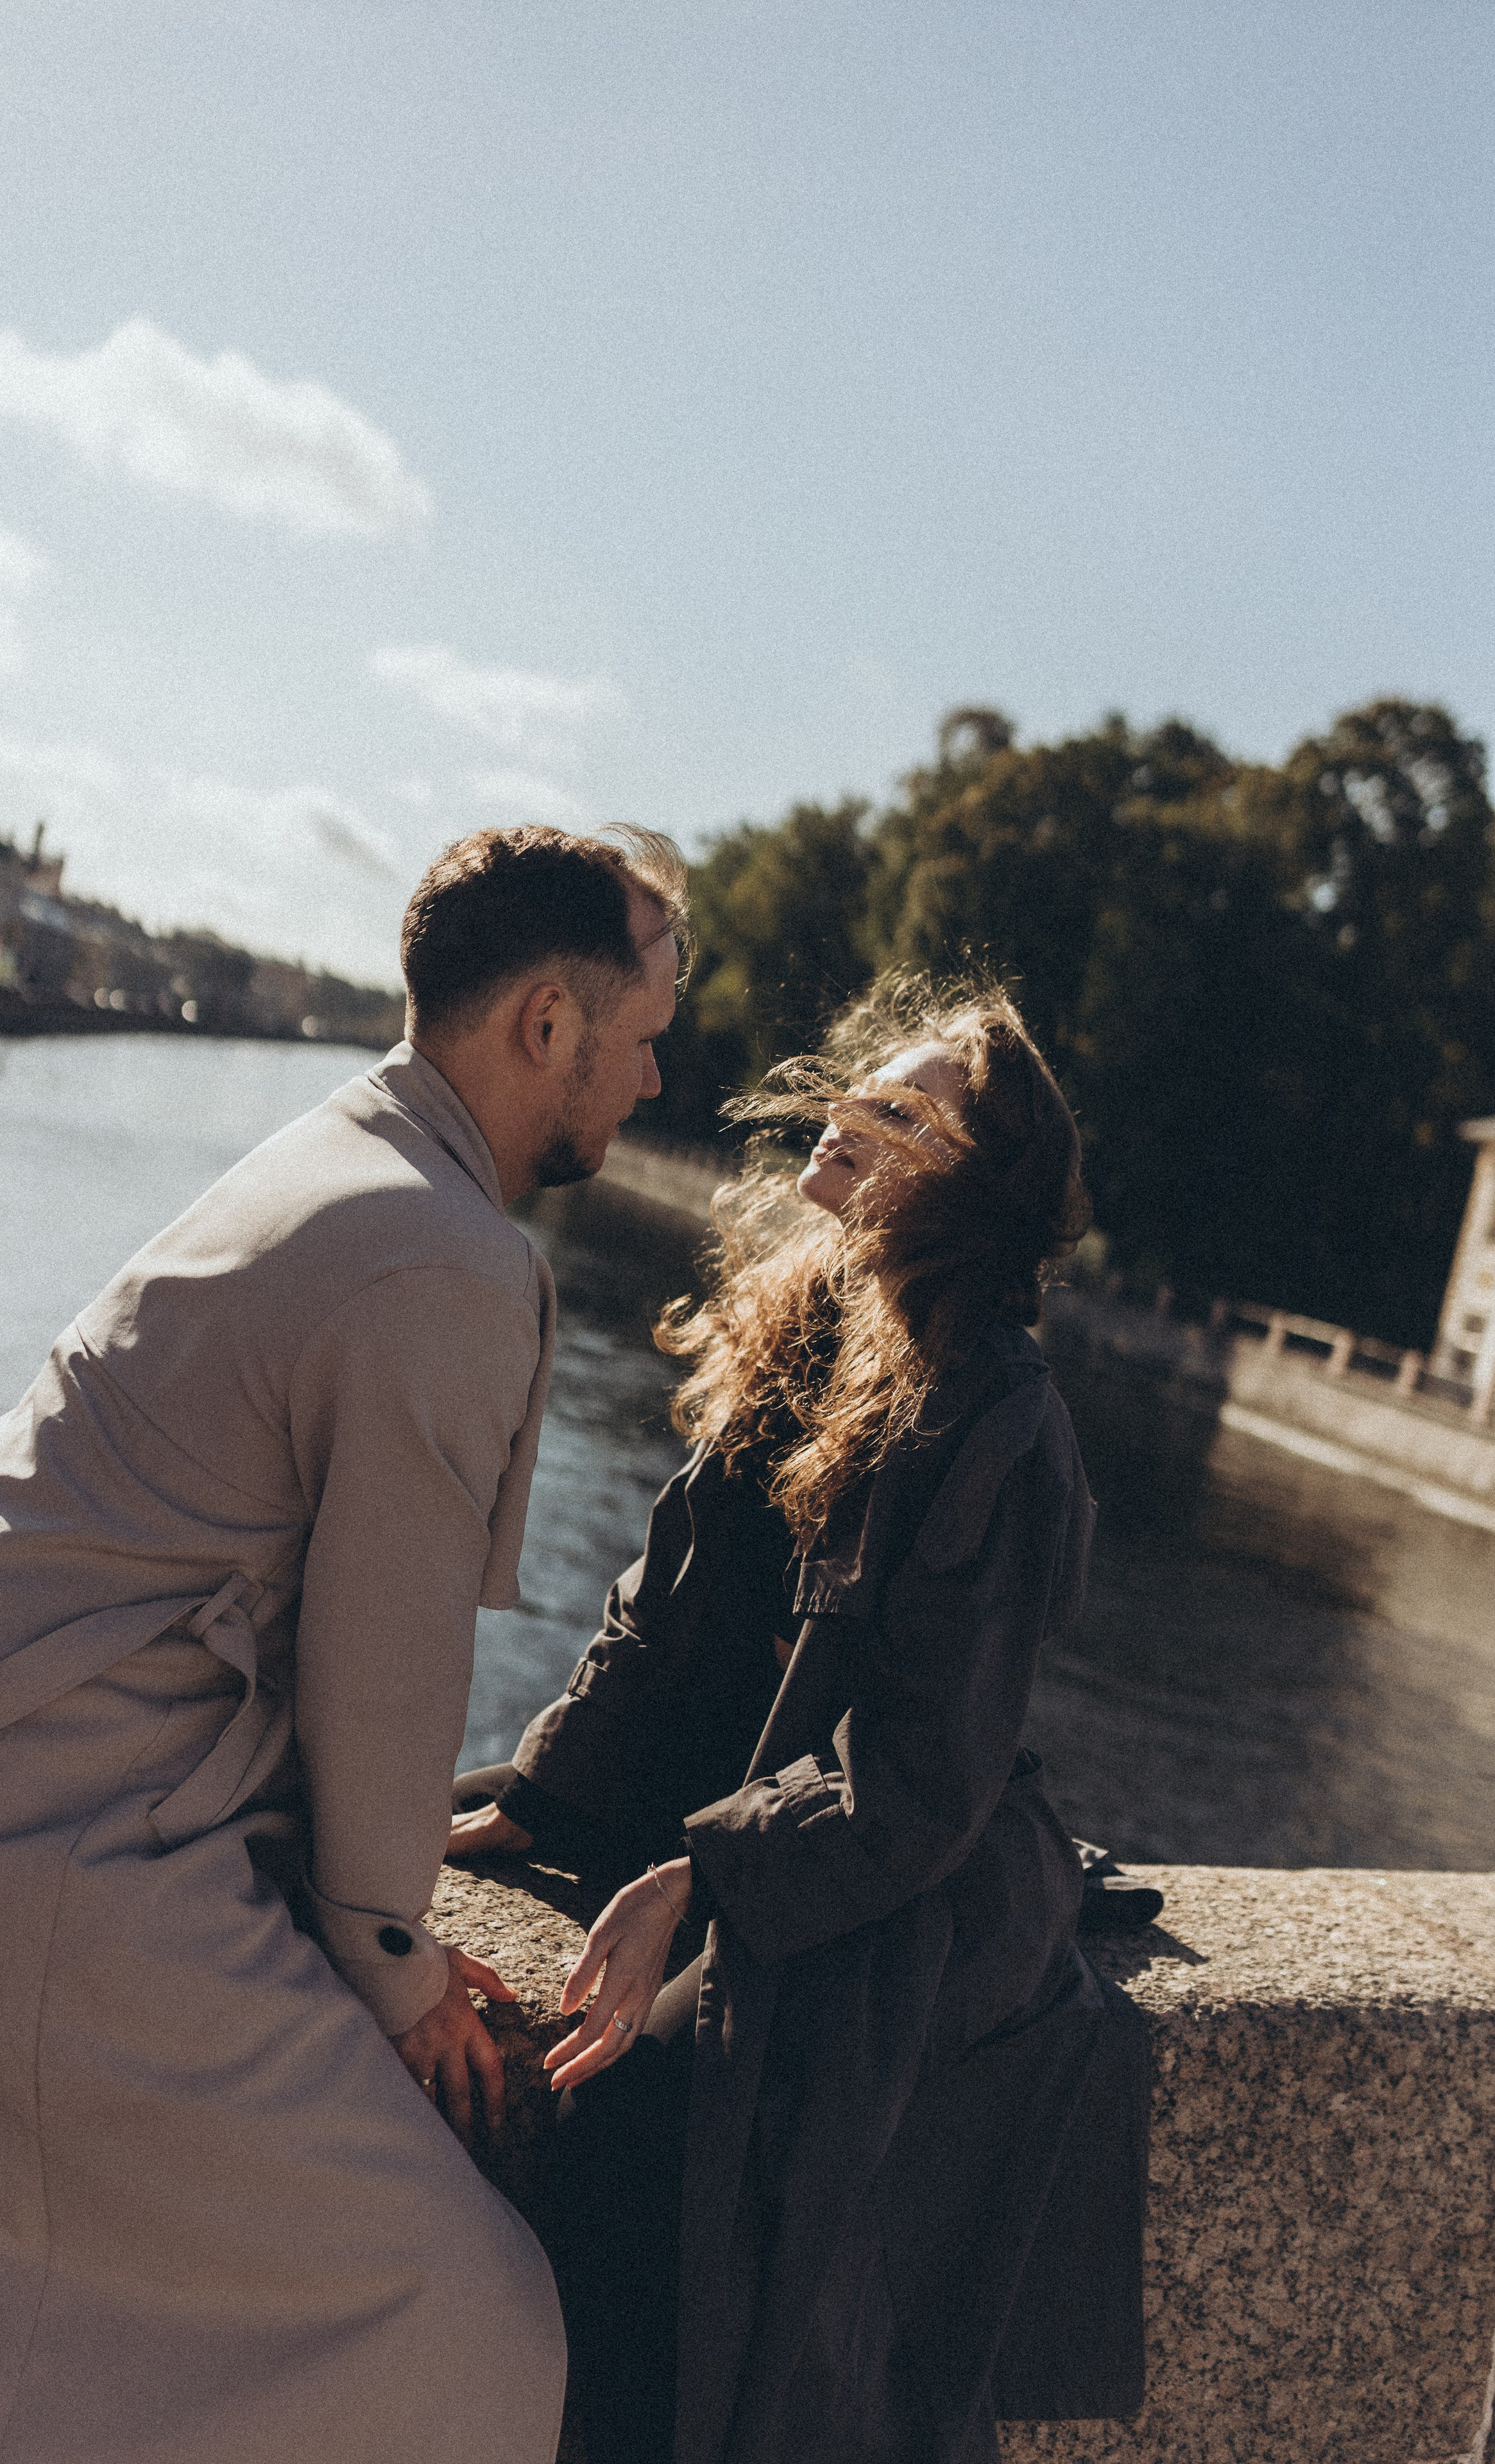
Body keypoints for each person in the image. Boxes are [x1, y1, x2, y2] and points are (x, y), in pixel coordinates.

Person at [0, 823, 684, 2464]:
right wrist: (395, 1963)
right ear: (547, 1023)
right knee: (470, 2319)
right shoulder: (449, 1261)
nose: (655, 1080)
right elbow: (382, 1673)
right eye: (645, 1035)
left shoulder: (340, 1156)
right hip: (41, 1854)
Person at [450, 977, 1150, 2464]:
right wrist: (549, 1789)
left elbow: (921, 1779)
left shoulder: (1002, 1416)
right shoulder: (811, 1319)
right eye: (857, 1088)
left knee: (647, 2111)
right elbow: (667, 1605)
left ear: (972, 1186)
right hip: (757, 1802)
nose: (843, 1113)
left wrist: (701, 1876)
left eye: (897, 1112)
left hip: (904, 1873)